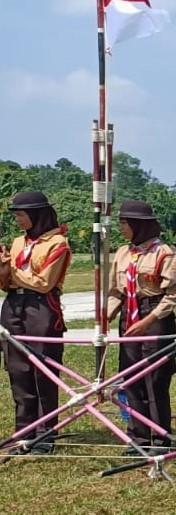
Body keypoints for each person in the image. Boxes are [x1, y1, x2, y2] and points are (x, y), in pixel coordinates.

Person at [107, 200, 176, 454]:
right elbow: (116, 291)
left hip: (154, 318)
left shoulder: (163, 253)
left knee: (154, 379)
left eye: (124, 223)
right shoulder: (122, 253)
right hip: (128, 317)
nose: (121, 227)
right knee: (131, 378)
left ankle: (160, 439)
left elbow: (173, 294)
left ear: (140, 225)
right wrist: (106, 316)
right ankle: (139, 437)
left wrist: (148, 321)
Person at [0, 192, 71, 454]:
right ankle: (23, 432)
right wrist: (3, 270)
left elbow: (44, 282)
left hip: (41, 308)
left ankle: (45, 434)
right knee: (17, 370)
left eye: (21, 215)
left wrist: (14, 271)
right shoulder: (19, 242)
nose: (17, 220)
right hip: (13, 306)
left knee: (44, 370)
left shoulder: (57, 243)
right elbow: (8, 283)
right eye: (16, 215)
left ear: (37, 214)